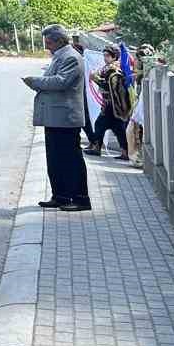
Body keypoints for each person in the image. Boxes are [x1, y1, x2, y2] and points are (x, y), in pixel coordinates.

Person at [24, 24, 90, 211]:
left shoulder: (71, 58)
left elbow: (61, 82)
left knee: (70, 159)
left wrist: (35, 81)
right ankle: (60, 195)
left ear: (59, 41)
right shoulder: (59, 56)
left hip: (66, 118)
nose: (47, 47)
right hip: (55, 117)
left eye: (49, 42)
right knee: (55, 159)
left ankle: (80, 198)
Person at [88, 46, 133, 160]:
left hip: (112, 104)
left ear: (114, 57)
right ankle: (124, 151)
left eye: (107, 56)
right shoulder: (107, 68)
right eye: (104, 55)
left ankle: (97, 148)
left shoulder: (114, 69)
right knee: (118, 128)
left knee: (100, 124)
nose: (105, 58)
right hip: (110, 103)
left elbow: (109, 85)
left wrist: (95, 79)